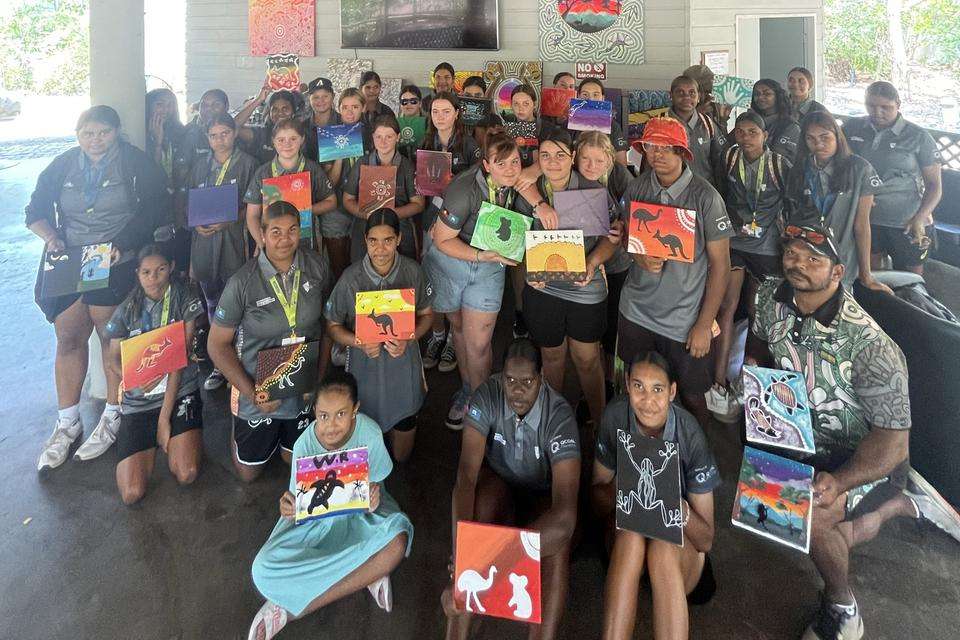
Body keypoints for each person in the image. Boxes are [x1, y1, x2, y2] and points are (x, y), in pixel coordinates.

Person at [746, 224, 960, 640]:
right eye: (792, 253)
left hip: (862, 456)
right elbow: (759, 341)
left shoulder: (871, 345)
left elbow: (892, 442)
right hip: (797, 436)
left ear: (838, 271)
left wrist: (839, 481)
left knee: (811, 521)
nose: (799, 265)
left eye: (814, 259)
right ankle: (903, 505)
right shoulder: (770, 296)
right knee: (776, 514)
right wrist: (754, 365)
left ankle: (843, 608)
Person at [27, 105, 170, 470]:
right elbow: (35, 210)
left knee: (113, 341)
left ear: (116, 132)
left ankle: (112, 412)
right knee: (69, 338)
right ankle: (67, 422)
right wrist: (52, 236)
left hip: (113, 259)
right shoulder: (62, 165)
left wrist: (125, 242)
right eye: (88, 133)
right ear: (78, 135)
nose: (95, 140)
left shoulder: (134, 163)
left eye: (103, 132)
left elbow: (155, 208)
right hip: (71, 260)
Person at [248, 371, 413, 640]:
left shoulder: (369, 432)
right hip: (316, 524)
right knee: (262, 569)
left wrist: (373, 499)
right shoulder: (304, 444)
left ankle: (292, 610)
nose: (332, 425)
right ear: (314, 412)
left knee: (398, 542)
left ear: (355, 411)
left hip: (362, 517)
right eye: (324, 415)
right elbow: (297, 500)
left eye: (341, 414)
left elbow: (379, 483)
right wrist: (287, 507)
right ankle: (367, 571)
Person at [443, 338, 580, 640]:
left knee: (558, 544)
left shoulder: (559, 417)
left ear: (542, 380)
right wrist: (462, 555)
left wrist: (493, 562)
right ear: (500, 377)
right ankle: (457, 629)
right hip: (502, 489)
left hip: (542, 503)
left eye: (527, 381)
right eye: (510, 380)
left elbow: (566, 516)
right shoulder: (487, 396)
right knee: (481, 500)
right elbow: (465, 477)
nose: (517, 390)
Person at [592, 351, 719, 640]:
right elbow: (596, 504)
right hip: (628, 549)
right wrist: (623, 487)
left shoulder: (690, 434)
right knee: (631, 535)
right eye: (638, 386)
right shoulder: (615, 415)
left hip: (678, 553)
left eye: (658, 389)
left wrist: (676, 506)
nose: (647, 401)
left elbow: (706, 539)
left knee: (663, 543)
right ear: (626, 384)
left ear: (673, 391)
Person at [617, 117, 732, 427]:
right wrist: (638, 255)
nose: (658, 154)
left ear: (683, 152)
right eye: (652, 146)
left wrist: (704, 324)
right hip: (637, 311)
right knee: (637, 386)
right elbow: (625, 235)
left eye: (668, 148)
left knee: (693, 395)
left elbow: (721, 266)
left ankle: (700, 453)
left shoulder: (706, 197)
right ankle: (641, 449)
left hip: (684, 319)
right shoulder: (638, 187)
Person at [208, 201, 333, 482]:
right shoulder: (242, 281)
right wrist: (252, 393)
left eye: (291, 231)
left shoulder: (316, 266)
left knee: (296, 464)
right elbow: (216, 345)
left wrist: (317, 381)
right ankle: (238, 415)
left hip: (301, 384)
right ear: (262, 235)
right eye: (275, 232)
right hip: (257, 385)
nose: (284, 239)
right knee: (249, 474)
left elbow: (326, 325)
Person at [516, 129, 620, 432]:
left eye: (561, 155)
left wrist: (593, 261)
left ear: (572, 158)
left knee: (587, 359)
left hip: (584, 284)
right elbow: (515, 239)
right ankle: (555, 424)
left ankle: (602, 426)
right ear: (538, 159)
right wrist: (526, 267)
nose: (553, 161)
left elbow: (612, 238)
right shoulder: (528, 191)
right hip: (542, 286)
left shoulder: (592, 189)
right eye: (545, 155)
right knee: (552, 357)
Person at [423, 132, 526, 429]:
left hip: (490, 266)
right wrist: (483, 257)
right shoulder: (464, 188)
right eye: (500, 163)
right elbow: (442, 240)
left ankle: (481, 404)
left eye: (515, 162)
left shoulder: (517, 180)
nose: (509, 169)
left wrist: (540, 204)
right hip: (450, 261)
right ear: (486, 164)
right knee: (458, 328)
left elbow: (538, 171)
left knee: (479, 343)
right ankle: (467, 390)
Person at [325, 210, 434, 463]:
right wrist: (358, 342)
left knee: (401, 457)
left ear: (398, 239)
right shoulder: (351, 278)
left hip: (402, 368)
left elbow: (427, 315)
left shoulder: (412, 272)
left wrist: (410, 338)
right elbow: (332, 325)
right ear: (365, 240)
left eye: (388, 240)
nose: (380, 249)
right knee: (367, 455)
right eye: (373, 241)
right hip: (365, 371)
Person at [102, 245, 204, 504]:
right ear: (137, 273)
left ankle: (177, 434)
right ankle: (155, 441)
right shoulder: (128, 308)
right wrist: (130, 377)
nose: (153, 277)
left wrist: (163, 419)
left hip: (179, 391)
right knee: (131, 493)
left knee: (187, 472)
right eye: (146, 272)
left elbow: (179, 360)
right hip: (139, 400)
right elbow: (112, 357)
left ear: (170, 267)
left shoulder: (184, 296)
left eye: (160, 270)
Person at [707, 111, 792, 420]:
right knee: (725, 308)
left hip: (768, 247)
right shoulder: (730, 158)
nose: (745, 137)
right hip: (734, 242)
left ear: (765, 135)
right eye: (740, 131)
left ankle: (750, 380)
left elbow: (791, 200)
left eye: (752, 132)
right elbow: (721, 192)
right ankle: (718, 383)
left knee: (760, 313)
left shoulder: (779, 164)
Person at [185, 112, 259, 391]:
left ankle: (240, 363)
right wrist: (196, 225)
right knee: (212, 303)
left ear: (234, 133)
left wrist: (233, 218)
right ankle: (220, 366)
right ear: (207, 138)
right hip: (204, 244)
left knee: (238, 304)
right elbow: (191, 202)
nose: (220, 140)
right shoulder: (199, 165)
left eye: (225, 133)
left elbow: (255, 206)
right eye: (214, 135)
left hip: (234, 242)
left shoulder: (249, 164)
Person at [842, 81, 942, 275]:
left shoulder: (918, 136)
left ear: (898, 104)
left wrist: (920, 218)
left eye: (885, 107)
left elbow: (934, 185)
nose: (877, 112)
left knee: (910, 281)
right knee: (871, 277)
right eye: (871, 105)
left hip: (905, 221)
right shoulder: (853, 128)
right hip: (866, 218)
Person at [784, 110, 888, 292]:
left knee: (837, 310)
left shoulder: (860, 169)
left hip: (842, 257)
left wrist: (866, 274)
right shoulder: (801, 168)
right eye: (811, 139)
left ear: (837, 136)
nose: (819, 145)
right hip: (808, 258)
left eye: (825, 137)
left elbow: (862, 226)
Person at [419, 91, 483, 376]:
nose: (440, 116)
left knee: (454, 280)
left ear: (457, 113)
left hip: (458, 225)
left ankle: (453, 340)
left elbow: (476, 186)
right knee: (433, 280)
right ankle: (436, 334)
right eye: (435, 111)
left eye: (446, 111)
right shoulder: (425, 143)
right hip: (430, 220)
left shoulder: (469, 146)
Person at [574, 131, 634, 387]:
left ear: (610, 160)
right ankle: (590, 379)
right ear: (576, 158)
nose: (591, 166)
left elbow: (635, 215)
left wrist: (624, 226)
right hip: (580, 258)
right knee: (588, 326)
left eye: (599, 161)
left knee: (612, 323)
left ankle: (611, 379)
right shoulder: (570, 177)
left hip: (616, 262)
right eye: (586, 159)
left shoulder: (621, 176)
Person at [242, 117, 337, 257]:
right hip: (272, 242)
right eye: (281, 140)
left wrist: (303, 210)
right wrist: (262, 242)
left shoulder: (312, 168)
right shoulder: (263, 172)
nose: (287, 144)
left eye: (293, 138)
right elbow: (252, 215)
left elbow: (331, 202)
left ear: (302, 139)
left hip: (305, 238)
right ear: (273, 142)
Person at [342, 115, 425, 261]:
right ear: (373, 137)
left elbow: (418, 204)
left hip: (398, 222)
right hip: (366, 221)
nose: (383, 142)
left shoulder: (407, 166)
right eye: (379, 137)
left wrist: (394, 213)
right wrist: (366, 215)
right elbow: (347, 199)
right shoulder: (362, 163)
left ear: (398, 137)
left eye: (389, 136)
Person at [666, 75, 727, 189]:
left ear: (698, 97)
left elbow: (719, 159)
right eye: (680, 93)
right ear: (671, 95)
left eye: (692, 93)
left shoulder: (708, 124)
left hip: (704, 189)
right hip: (670, 190)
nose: (686, 97)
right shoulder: (660, 123)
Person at [236, 87, 302, 164]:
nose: (280, 113)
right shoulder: (261, 134)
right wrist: (259, 100)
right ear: (269, 113)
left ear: (293, 112)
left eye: (285, 109)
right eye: (275, 109)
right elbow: (234, 127)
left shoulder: (302, 133)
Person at [576, 79, 630, 166]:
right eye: (585, 94)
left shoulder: (613, 127)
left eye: (596, 95)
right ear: (578, 97)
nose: (590, 99)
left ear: (603, 98)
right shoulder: (568, 124)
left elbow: (622, 164)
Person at [750, 79, 801, 160]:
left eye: (767, 94)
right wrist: (724, 120)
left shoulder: (790, 126)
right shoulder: (750, 121)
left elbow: (780, 158)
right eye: (756, 94)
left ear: (778, 96)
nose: (760, 97)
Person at [503, 84, 544, 169]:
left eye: (525, 104)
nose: (520, 108)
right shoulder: (506, 128)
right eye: (516, 104)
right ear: (511, 105)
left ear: (535, 104)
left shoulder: (546, 128)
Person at [302, 77, 342, 163]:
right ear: (309, 98)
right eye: (316, 97)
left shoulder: (344, 123)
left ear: (333, 96)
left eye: (325, 96)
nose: (321, 101)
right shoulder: (302, 127)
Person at [683, 64, 732, 131]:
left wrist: (723, 119)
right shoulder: (681, 106)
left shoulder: (714, 104)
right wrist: (696, 115)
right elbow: (681, 134)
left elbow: (722, 139)